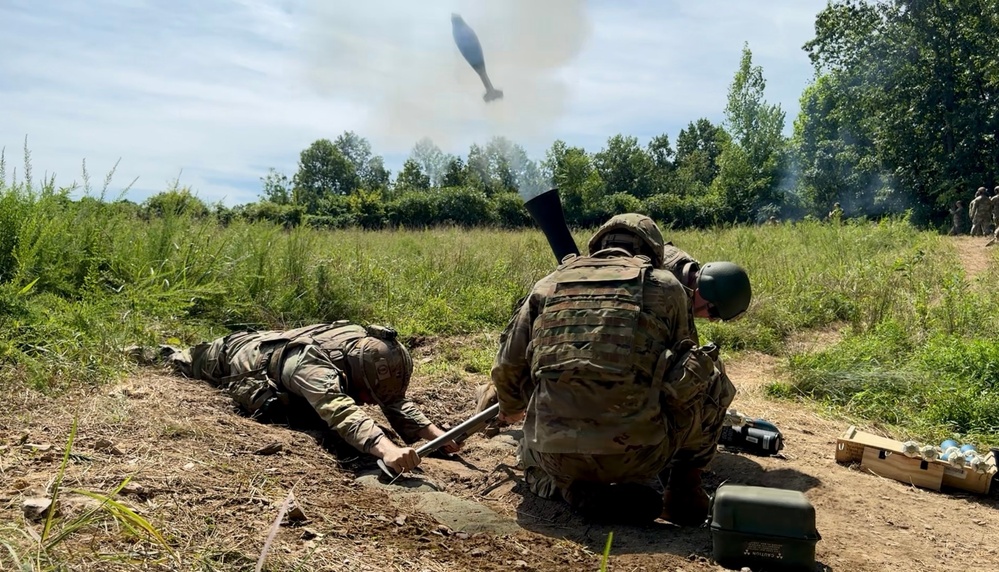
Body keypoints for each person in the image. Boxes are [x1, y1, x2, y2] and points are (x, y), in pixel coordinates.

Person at [482, 214, 750, 526]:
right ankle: (682, 491)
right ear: (652, 252)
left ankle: (567, 487)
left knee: (545, 441)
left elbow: (507, 366)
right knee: (711, 373)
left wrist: (514, 409)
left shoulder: (546, 285)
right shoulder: (668, 288)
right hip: (639, 457)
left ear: (597, 244)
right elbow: (688, 371)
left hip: (551, 454)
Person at [145, 321, 459, 475]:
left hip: (271, 349)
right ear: (354, 375)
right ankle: (150, 353)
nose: (368, 404)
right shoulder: (312, 368)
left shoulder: (363, 349)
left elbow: (390, 398)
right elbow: (340, 409)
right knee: (177, 360)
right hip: (227, 357)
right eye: (366, 397)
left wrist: (433, 434)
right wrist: (388, 450)